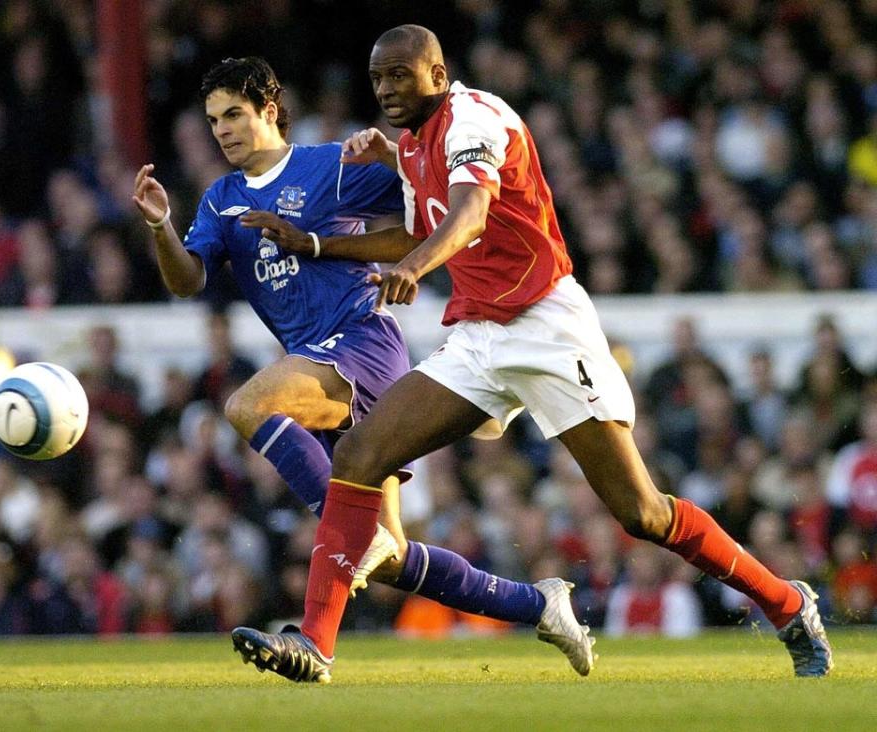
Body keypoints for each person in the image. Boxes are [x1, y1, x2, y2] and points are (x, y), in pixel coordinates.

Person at [232, 26, 833, 682]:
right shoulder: (412, 145)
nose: (386, 90)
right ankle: (315, 644)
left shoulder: (476, 118)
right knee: (358, 454)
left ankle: (787, 602)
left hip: (548, 327)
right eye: (378, 80)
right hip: (481, 337)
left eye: (400, 76)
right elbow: (420, 227)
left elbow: (470, 215)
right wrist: (319, 245)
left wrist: (416, 265)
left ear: (437, 73)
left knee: (642, 513)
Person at [132, 57, 593, 674]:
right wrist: (162, 225)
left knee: (246, 405)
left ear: (270, 110)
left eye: (234, 115)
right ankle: (540, 605)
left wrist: (354, 231)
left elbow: (420, 217)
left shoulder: (329, 166)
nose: (222, 130)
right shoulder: (221, 202)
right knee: (394, 557)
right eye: (214, 120)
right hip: (313, 368)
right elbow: (188, 281)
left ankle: (334, 560)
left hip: (361, 344)